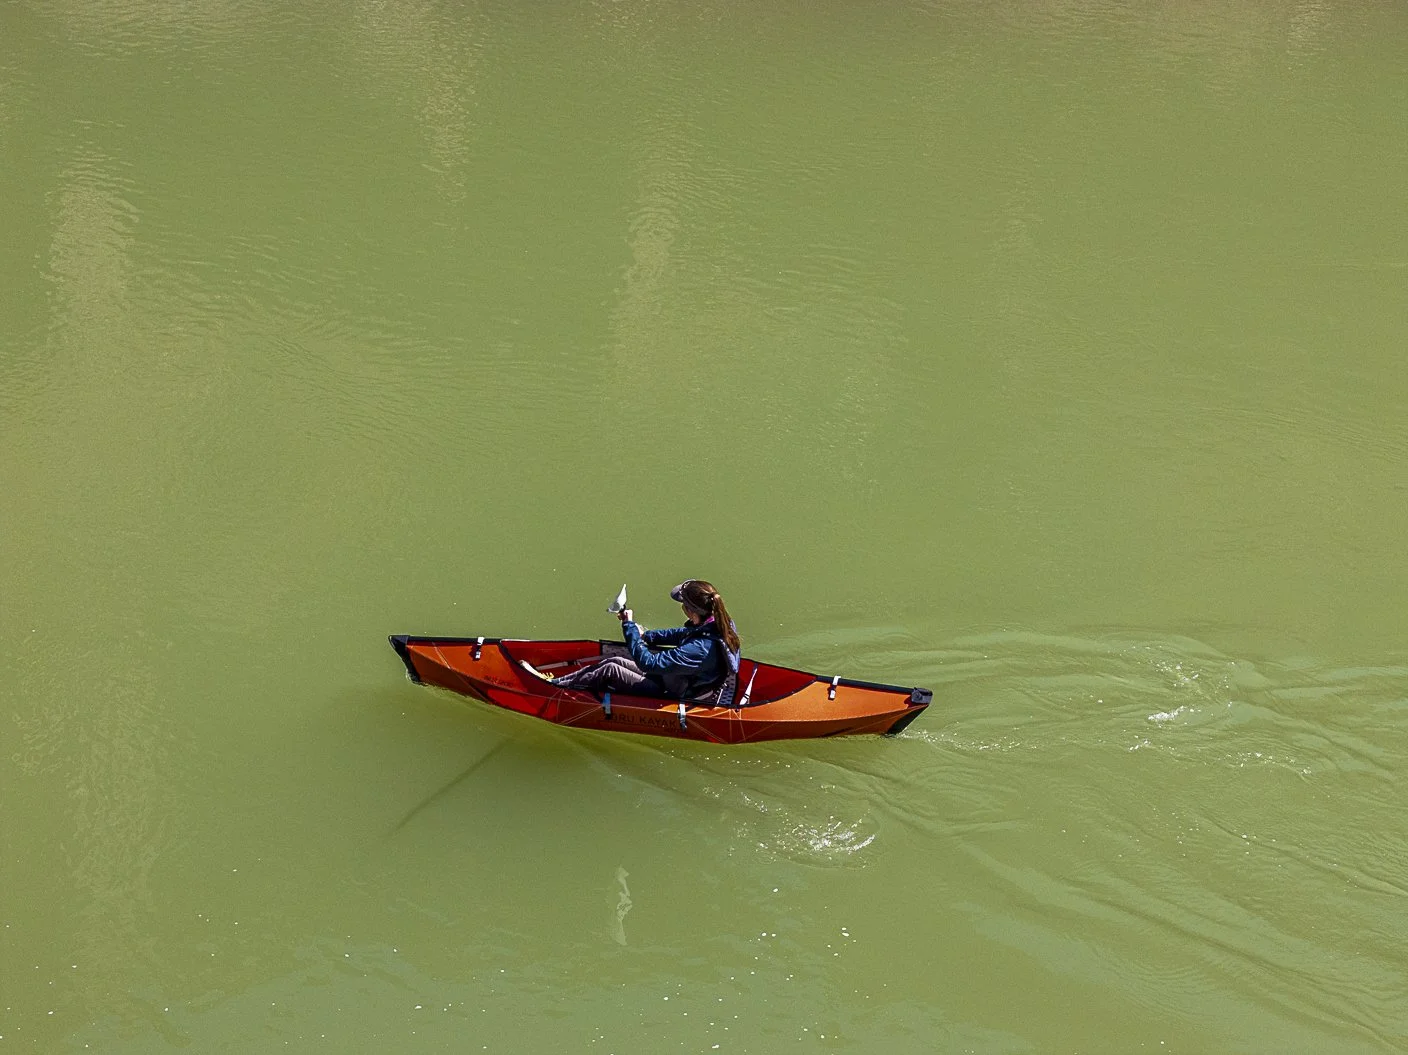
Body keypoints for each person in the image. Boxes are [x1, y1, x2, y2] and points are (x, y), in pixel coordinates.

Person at [536, 580, 741, 699]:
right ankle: (557, 682)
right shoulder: (719, 623)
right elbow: (682, 634)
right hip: (678, 679)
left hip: (676, 691)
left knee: (611, 670)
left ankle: (551, 690)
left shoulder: (700, 649)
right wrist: (644, 635)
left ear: (690, 611)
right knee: (614, 661)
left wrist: (628, 627)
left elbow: (648, 663)